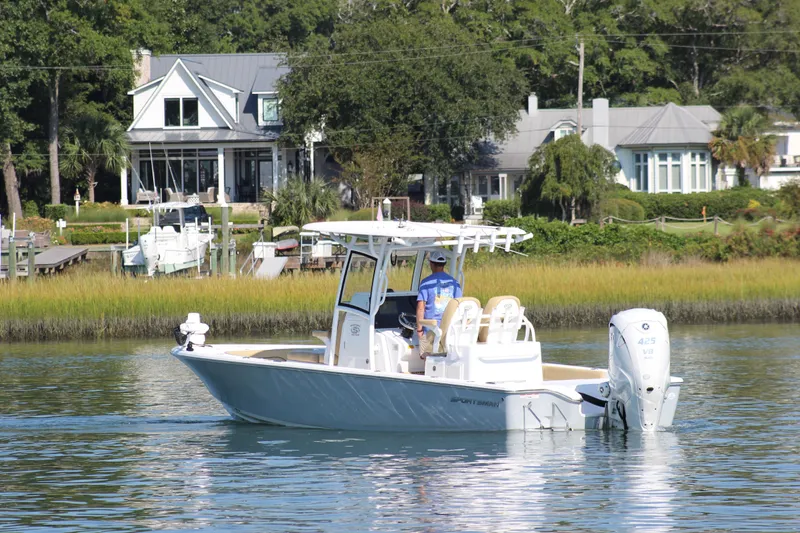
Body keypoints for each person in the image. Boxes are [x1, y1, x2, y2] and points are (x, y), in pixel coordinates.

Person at [416, 250, 462, 357]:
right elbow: (459, 306)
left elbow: (420, 308)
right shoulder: (455, 283)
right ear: (444, 264)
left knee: (425, 356)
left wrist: (419, 330)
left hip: (431, 330)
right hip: (449, 330)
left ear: (431, 264)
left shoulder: (426, 283)